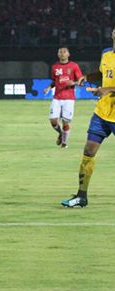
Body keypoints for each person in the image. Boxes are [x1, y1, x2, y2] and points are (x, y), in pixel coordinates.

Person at [61, 27, 115, 208]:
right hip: (101, 113)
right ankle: (81, 196)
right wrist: (87, 77)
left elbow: (108, 85)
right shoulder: (106, 54)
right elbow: (102, 74)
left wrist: (107, 90)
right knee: (89, 151)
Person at [43, 46, 84, 148]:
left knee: (65, 121)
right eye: (60, 52)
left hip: (69, 99)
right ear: (58, 54)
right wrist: (48, 87)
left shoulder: (74, 66)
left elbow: (81, 82)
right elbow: (55, 81)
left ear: (68, 54)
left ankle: (64, 143)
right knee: (53, 121)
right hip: (57, 97)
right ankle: (61, 133)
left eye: (64, 52)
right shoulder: (54, 67)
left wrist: (73, 83)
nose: (62, 53)